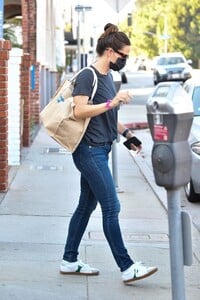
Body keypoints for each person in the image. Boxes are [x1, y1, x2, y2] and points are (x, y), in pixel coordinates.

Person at [60, 23, 158, 284]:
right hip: (88, 151)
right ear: (110, 52)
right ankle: (127, 267)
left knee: (86, 205)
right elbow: (79, 111)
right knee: (111, 206)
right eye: (123, 55)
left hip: (101, 149)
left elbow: (107, 115)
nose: (125, 60)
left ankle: (69, 260)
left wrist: (128, 137)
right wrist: (112, 102)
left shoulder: (109, 78)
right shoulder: (88, 76)